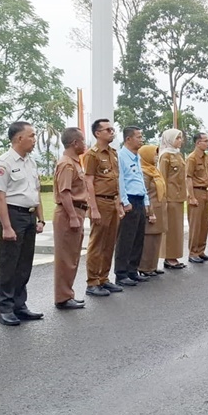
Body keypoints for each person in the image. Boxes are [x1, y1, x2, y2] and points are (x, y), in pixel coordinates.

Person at [0, 121, 44, 326]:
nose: (34, 140)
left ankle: (19, 305)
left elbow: (36, 191)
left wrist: (40, 218)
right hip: (13, 215)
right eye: (31, 136)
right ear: (19, 138)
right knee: (8, 264)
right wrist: (6, 226)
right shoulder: (4, 162)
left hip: (30, 215)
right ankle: (5, 309)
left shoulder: (30, 162)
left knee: (24, 263)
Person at [83, 119, 123, 298]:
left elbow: (116, 180)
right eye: (107, 130)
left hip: (112, 201)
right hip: (100, 201)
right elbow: (89, 181)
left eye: (112, 129)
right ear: (97, 133)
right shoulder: (93, 154)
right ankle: (92, 281)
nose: (111, 132)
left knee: (109, 242)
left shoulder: (113, 153)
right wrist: (93, 208)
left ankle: (104, 278)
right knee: (97, 243)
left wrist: (119, 203)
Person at [52, 128, 88, 310]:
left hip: (76, 212)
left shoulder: (74, 162)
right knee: (66, 257)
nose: (85, 144)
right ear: (75, 143)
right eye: (83, 140)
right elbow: (64, 193)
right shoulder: (67, 164)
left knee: (72, 256)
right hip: (69, 213)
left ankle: (67, 293)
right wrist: (73, 216)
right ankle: (63, 297)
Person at [114, 126, 149, 286]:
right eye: (138, 137)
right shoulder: (121, 156)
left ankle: (132, 270)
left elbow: (140, 179)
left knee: (138, 237)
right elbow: (120, 180)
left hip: (140, 199)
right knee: (126, 238)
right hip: (130, 199)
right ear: (128, 139)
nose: (141, 139)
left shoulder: (137, 156)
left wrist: (146, 201)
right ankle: (121, 273)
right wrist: (124, 201)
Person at [158, 129, 187, 269]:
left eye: (180, 138)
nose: (180, 140)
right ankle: (169, 257)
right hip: (170, 197)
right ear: (169, 139)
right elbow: (162, 178)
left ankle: (174, 255)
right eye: (177, 138)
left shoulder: (178, 154)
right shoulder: (165, 156)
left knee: (177, 229)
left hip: (179, 196)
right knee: (171, 229)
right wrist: (163, 198)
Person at [186, 133, 208, 263]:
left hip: (205, 191)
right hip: (196, 192)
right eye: (205, 141)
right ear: (198, 143)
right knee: (195, 224)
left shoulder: (206, 157)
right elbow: (188, 178)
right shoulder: (192, 158)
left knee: (204, 223)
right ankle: (193, 252)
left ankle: (201, 250)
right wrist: (191, 197)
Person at [137, 145, 166, 277]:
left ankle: (153, 266)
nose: (156, 156)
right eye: (154, 154)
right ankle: (144, 266)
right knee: (148, 238)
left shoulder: (154, 170)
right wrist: (149, 212)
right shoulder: (144, 171)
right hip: (150, 207)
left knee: (156, 238)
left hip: (159, 207)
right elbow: (145, 193)